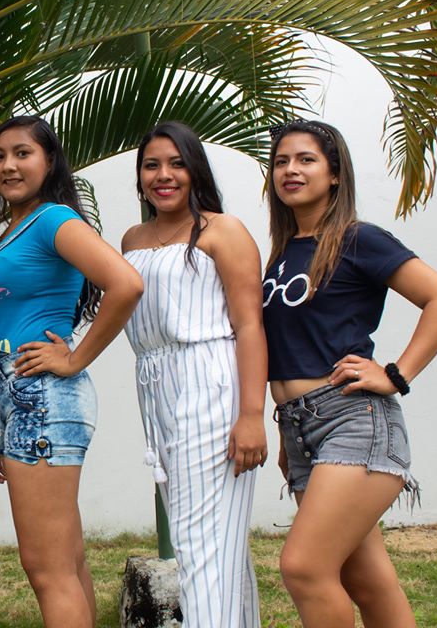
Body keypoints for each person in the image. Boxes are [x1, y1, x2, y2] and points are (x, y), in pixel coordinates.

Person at [0, 115, 143, 628]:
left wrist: (76, 358)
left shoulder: (54, 220)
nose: (8, 166)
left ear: (49, 161)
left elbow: (126, 284)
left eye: (22, 153)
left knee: (47, 569)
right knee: (66, 563)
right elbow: (9, 339)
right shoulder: (9, 232)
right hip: (24, 403)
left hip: (43, 403)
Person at [263, 119, 437, 628]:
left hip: (352, 419)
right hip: (300, 428)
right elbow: (291, 349)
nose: (291, 170)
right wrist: (287, 432)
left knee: (304, 568)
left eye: (306, 160)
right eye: (281, 161)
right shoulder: (283, 253)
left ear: (335, 174)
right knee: (365, 579)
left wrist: (396, 374)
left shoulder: (358, 239)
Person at [121, 121, 267, 627]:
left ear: (195, 170)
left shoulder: (222, 231)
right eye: (151, 165)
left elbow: (250, 326)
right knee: (215, 543)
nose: (163, 175)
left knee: (199, 542)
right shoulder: (133, 238)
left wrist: (252, 415)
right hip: (156, 388)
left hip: (210, 382)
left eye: (176, 164)